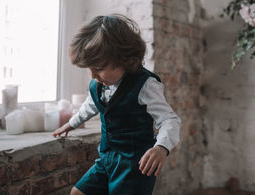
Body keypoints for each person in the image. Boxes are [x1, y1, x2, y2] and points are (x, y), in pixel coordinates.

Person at [53, 14, 181, 195]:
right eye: (90, 69)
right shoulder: (98, 85)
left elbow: (170, 119)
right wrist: (72, 123)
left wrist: (161, 147)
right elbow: (91, 104)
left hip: (135, 165)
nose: (93, 76)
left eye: (98, 69)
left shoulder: (145, 85)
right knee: (77, 193)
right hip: (107, 158)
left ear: (123, 59)